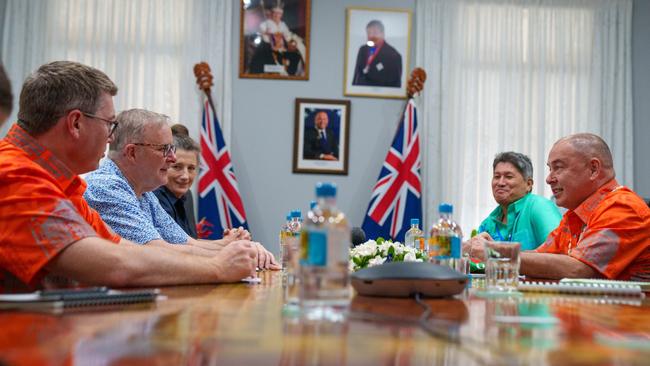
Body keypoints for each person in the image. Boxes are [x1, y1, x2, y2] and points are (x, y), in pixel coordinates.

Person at [0, 61, 260, 292]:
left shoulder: (63, 181)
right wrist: (217, 268)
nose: (111, 137)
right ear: (76, 123)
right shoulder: (14, 174)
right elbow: (117, 265)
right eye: (109, 124)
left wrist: (226, 256)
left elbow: (122, 248)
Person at [83, 108, 279, 269]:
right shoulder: (106, 186)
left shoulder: (142, 190)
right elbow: (156, 252)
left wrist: (239, 247)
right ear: (132, 152)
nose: (173, 158)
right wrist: (234, 255)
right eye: (164, 149)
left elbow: (185, 243)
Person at [466, 133, 650, 280]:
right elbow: (538, 257)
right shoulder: (573, 216)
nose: (548, 179)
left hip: (629, 320)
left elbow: (578, 269)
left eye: (558, 168)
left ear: (593, 169)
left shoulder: (623, 207)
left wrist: (493, 251)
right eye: (549, 169)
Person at [470, 152, 561, 251]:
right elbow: (478, 262)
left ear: (528, 184)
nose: (500, 183)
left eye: (508, 177)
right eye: (497, 176)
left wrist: (497, 251)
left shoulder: (539, 206)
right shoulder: (487, 224)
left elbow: (559, 251)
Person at [153, 124, 199, 238]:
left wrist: (228, 242)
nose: (185, 176)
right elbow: (172, 248)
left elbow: (191, 241)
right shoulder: (153, 196)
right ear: (164, 165)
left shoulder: (187, 195)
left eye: (191, 168)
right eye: (177, 167)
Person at [352, 20, 402, 88]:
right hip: (360, 95)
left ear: (383, 34)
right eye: (369, 33)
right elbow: (356, 77)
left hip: (380, 97)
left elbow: (395, 86)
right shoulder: (362, 50)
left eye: (375, 33)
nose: (371, 36)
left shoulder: (394, 56)